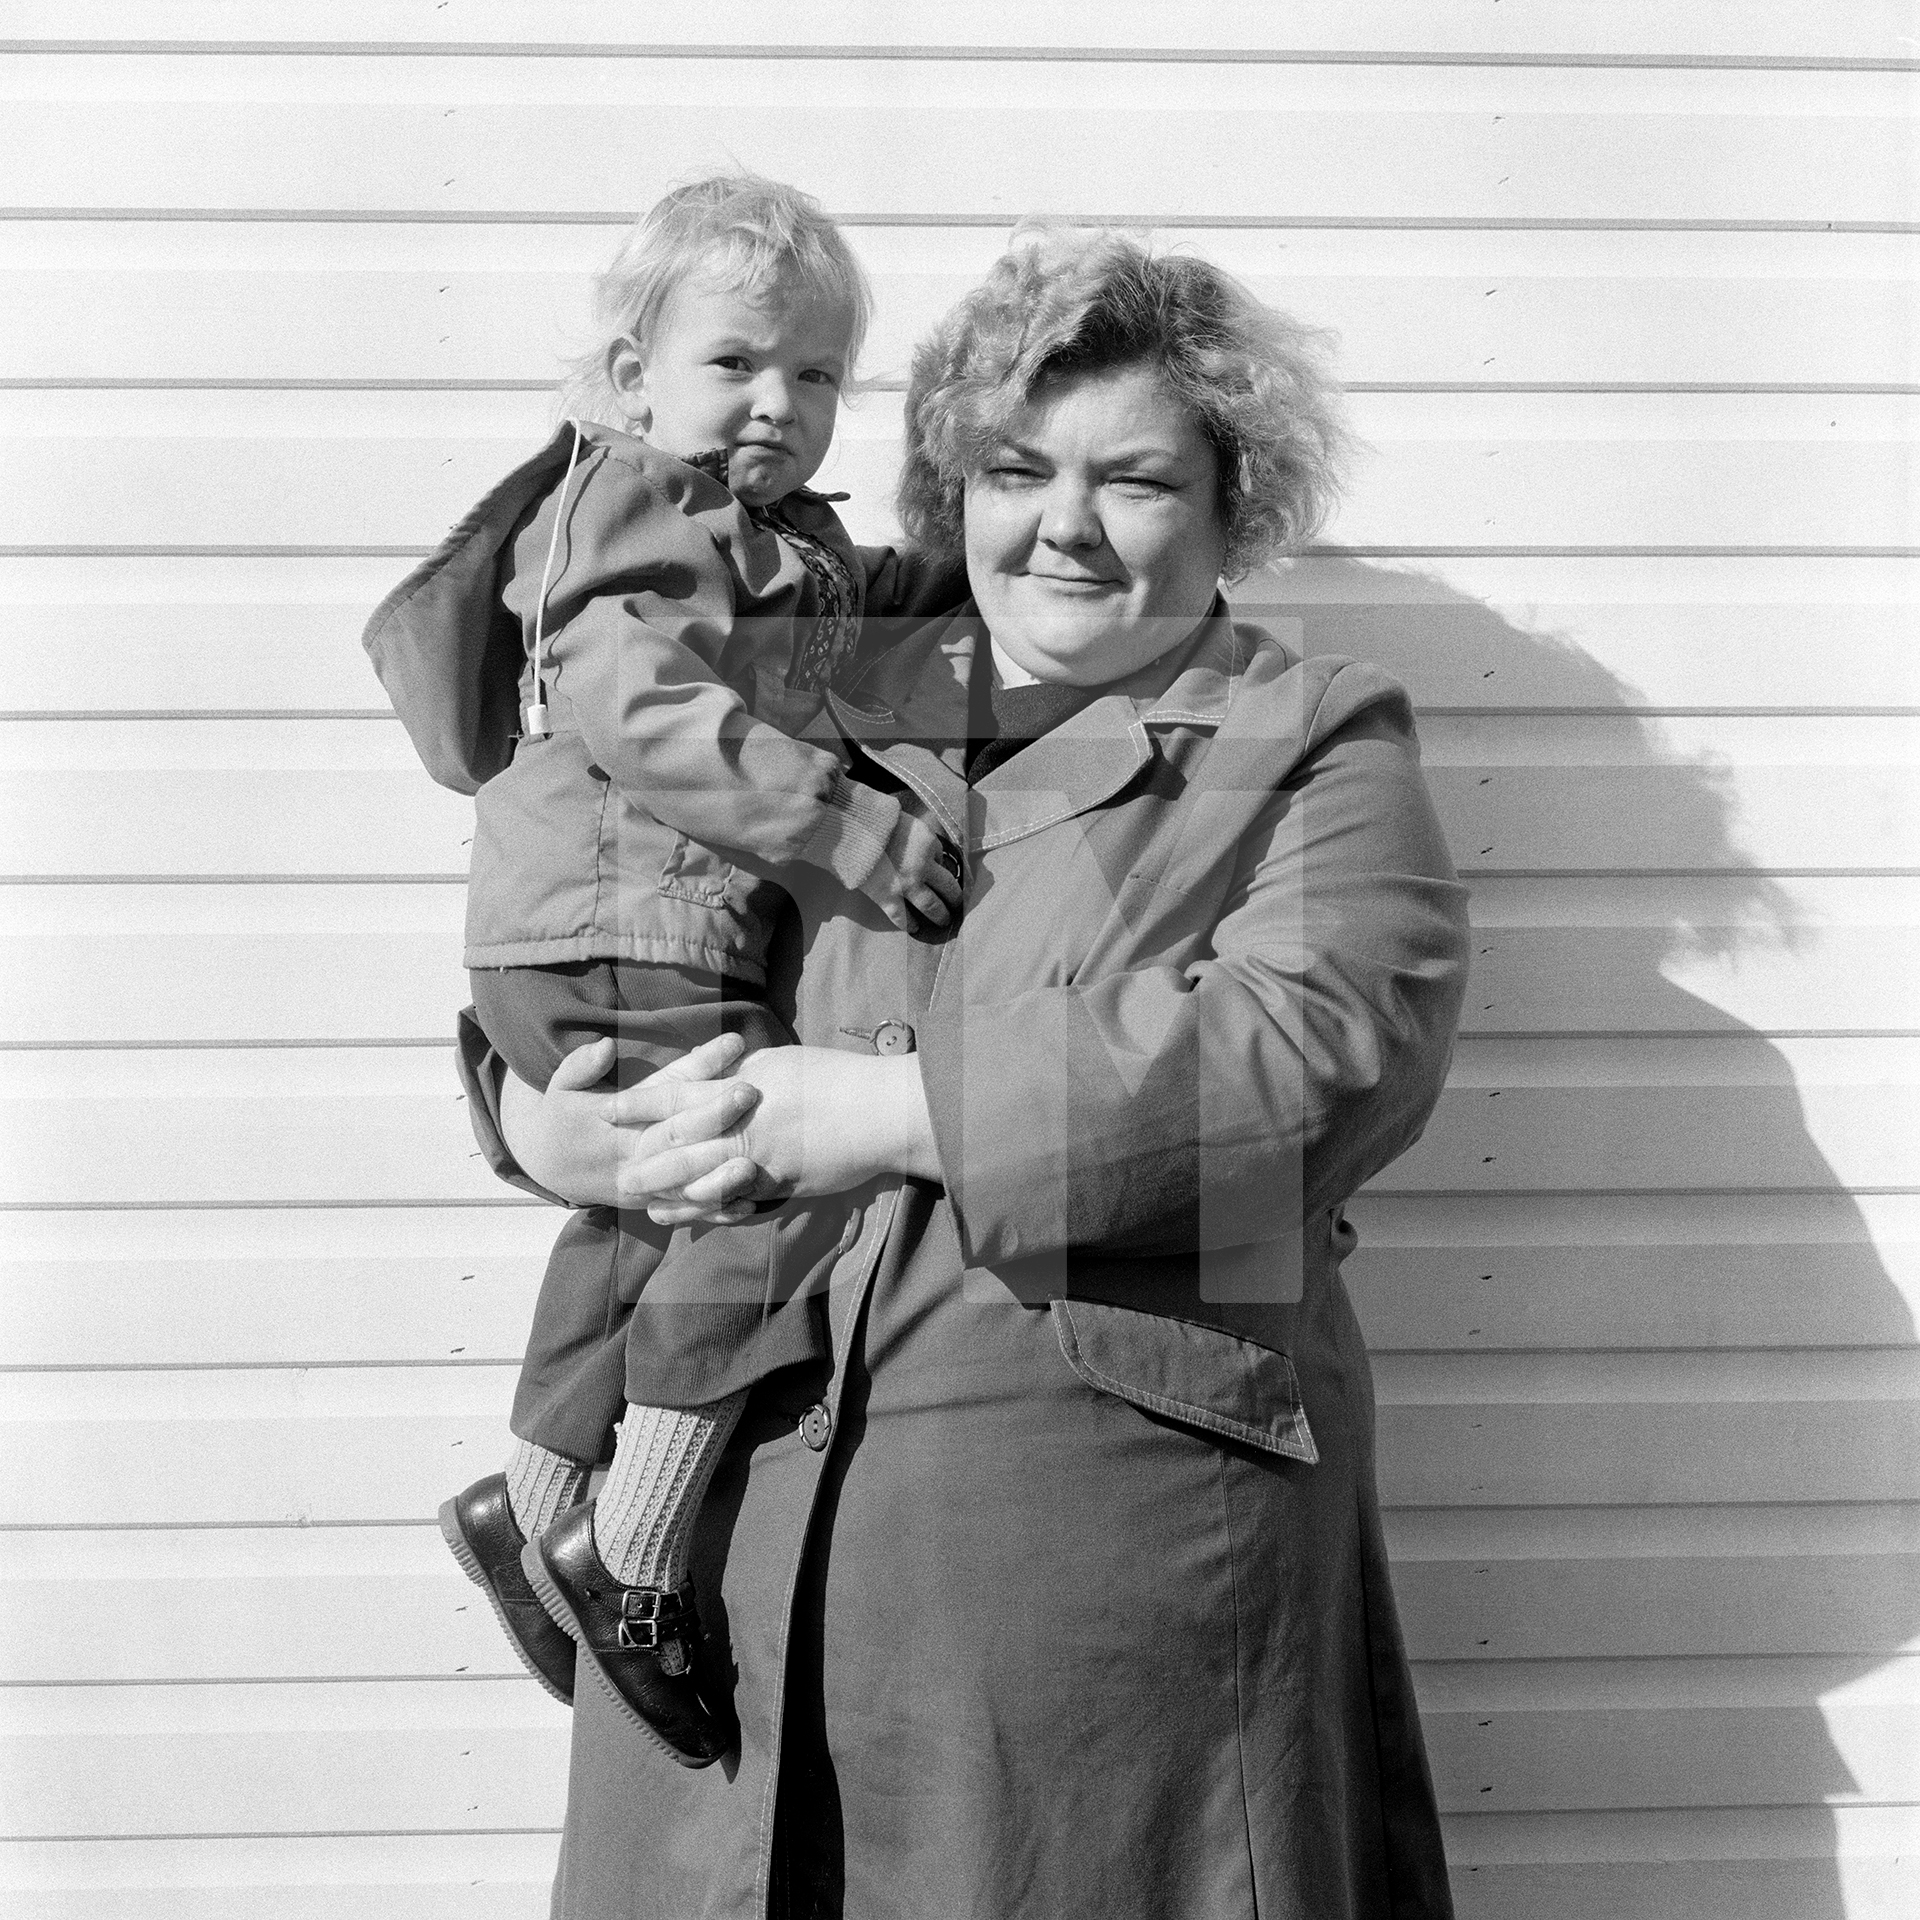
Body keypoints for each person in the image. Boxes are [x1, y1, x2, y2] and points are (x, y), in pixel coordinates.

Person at [468, 227, 1471, 1917]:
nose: (1061, 525)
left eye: (1134, 480)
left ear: (1239, 506)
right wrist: (540, 1122)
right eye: (1015, 470)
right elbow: (597, 890)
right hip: (730, 1565)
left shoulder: (1304, 734)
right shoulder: (813, 682)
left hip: (1103, 1586)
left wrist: (887, 1108)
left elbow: (1322, 1057)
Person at [361, 173, 963, 1766]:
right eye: (739, 363)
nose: (783, 404)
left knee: (638, 1224)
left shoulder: (766, 541)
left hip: (605, 934)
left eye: (821, 375)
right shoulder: (631, 506)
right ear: (634, 376)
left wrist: (983, 558)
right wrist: (848, 828)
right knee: (767, 1193)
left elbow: (845, 611)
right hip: (630, 922)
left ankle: (530, 1504)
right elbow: (644, 711)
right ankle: (630, 1564)